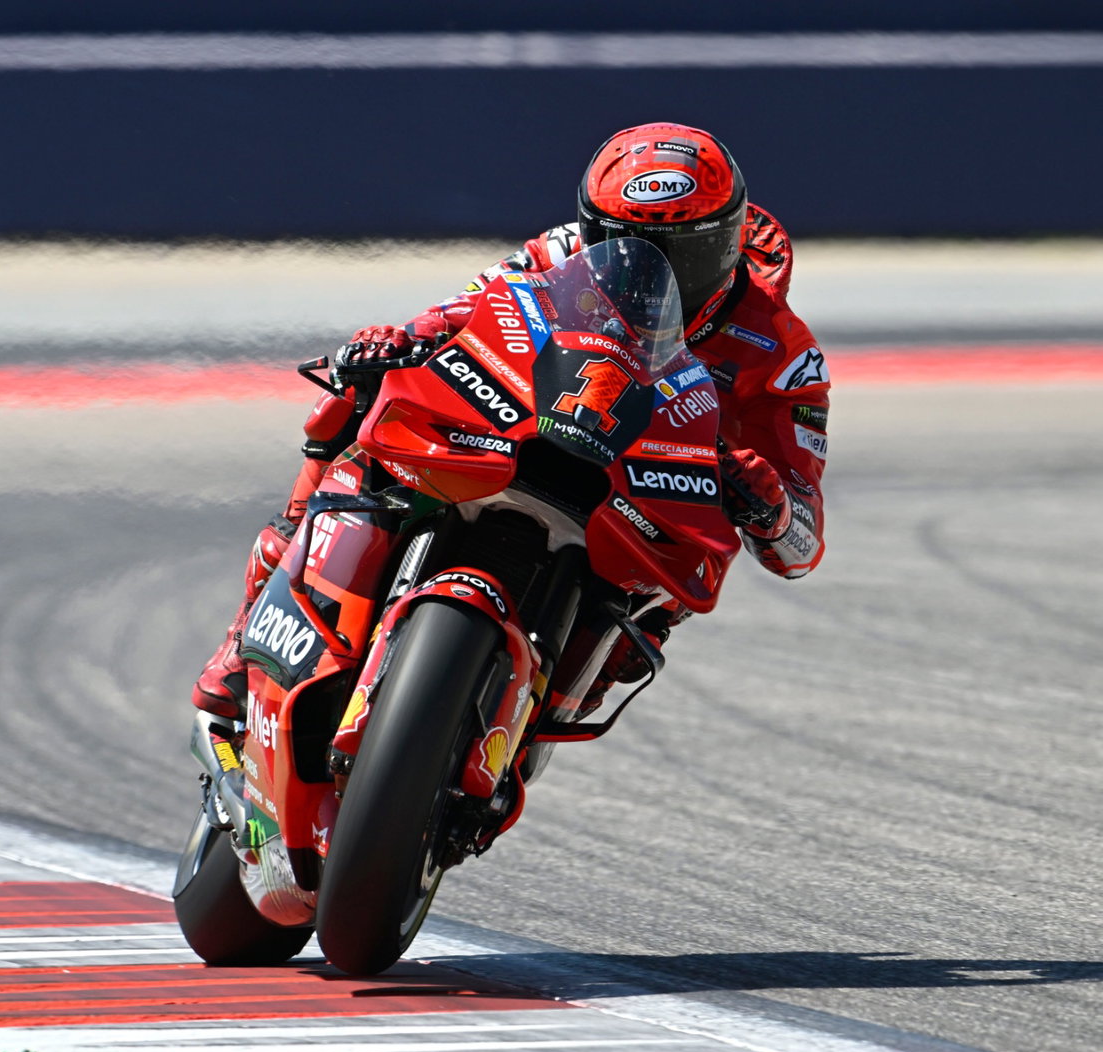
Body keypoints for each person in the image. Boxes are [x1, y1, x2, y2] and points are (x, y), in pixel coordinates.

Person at [192, 121, 829, 722]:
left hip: (637, 508)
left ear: (730, 241)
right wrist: (398, 340)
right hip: (514, 434)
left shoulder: (783, 352)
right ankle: (245, 633)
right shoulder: (558, 253)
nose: (648, 276)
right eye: (625, 248)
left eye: (681, 258)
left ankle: (520, 728)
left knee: (644, 626)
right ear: (591, 231)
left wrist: (769, 505)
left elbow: (801, 545)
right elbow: (460, 314)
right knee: (351, 404)